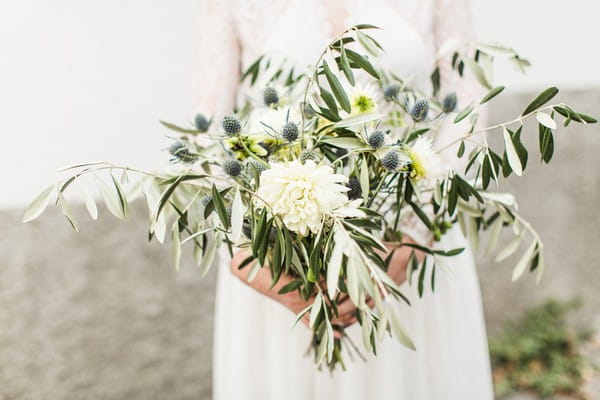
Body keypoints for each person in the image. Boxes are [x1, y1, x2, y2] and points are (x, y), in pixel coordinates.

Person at [193, 1, 494, 398]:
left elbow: (468, 104)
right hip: (280, 257)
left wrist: (415, 235)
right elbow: (206, 132)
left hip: (407, 245)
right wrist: (247, 254)